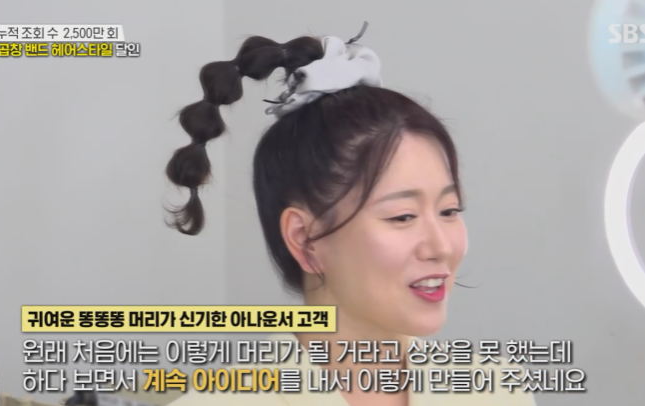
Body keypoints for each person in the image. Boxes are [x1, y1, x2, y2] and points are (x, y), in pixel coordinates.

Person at [164, 23, 536, 406]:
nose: (442, 247)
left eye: (449, 210)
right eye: (403, 216)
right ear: (305, 239)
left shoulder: (495, 390)